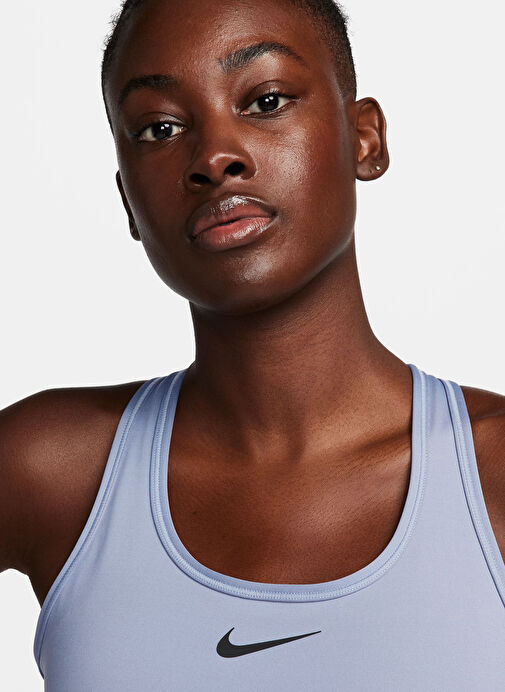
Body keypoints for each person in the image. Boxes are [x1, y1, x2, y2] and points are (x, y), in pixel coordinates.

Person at [1, 0, 504, 688]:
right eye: (159, 128)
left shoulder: (492, 474)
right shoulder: (51, 471)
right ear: (127, 200)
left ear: (365, 138)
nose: (213, 157)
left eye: (265, 101)